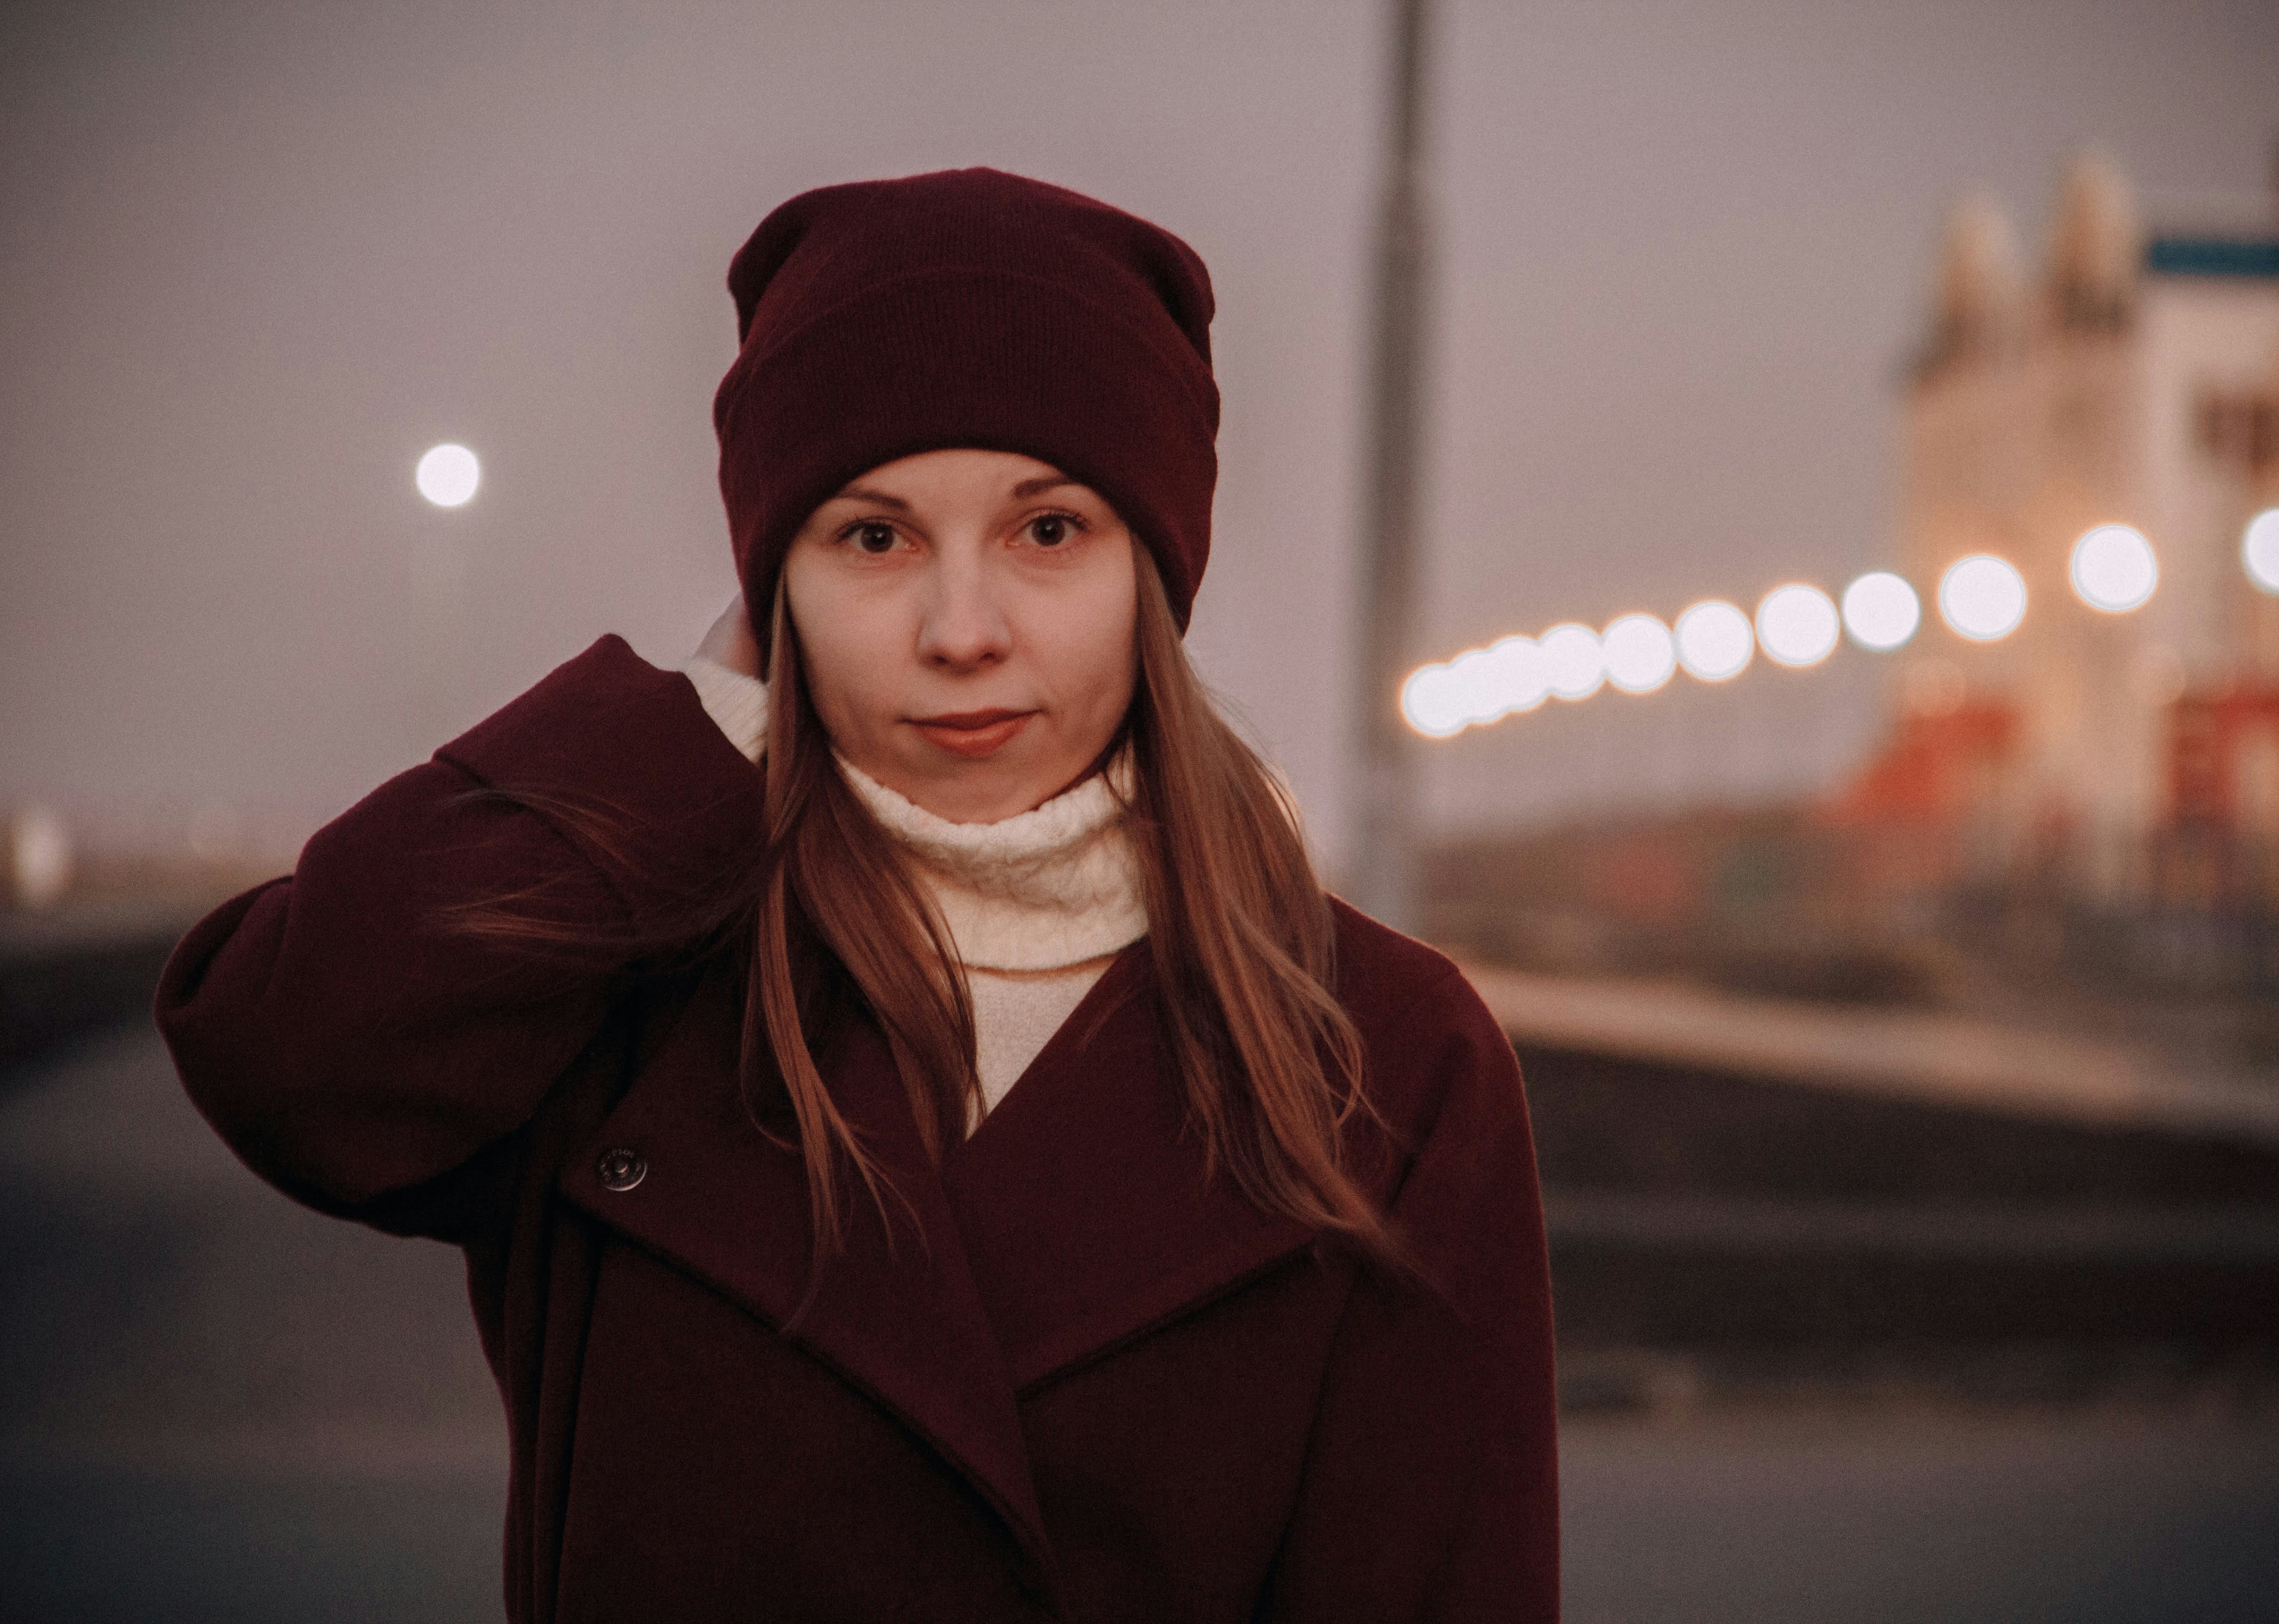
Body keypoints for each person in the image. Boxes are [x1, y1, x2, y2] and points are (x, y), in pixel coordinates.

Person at [156, 166, 1558, 1622]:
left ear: (1155, 571)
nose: (962, 630)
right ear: (774, 591)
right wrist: (688, 729)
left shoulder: (1388, 1055)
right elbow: (284, 1057)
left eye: (1049, 530)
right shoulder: (617, 971)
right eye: (870, 536)